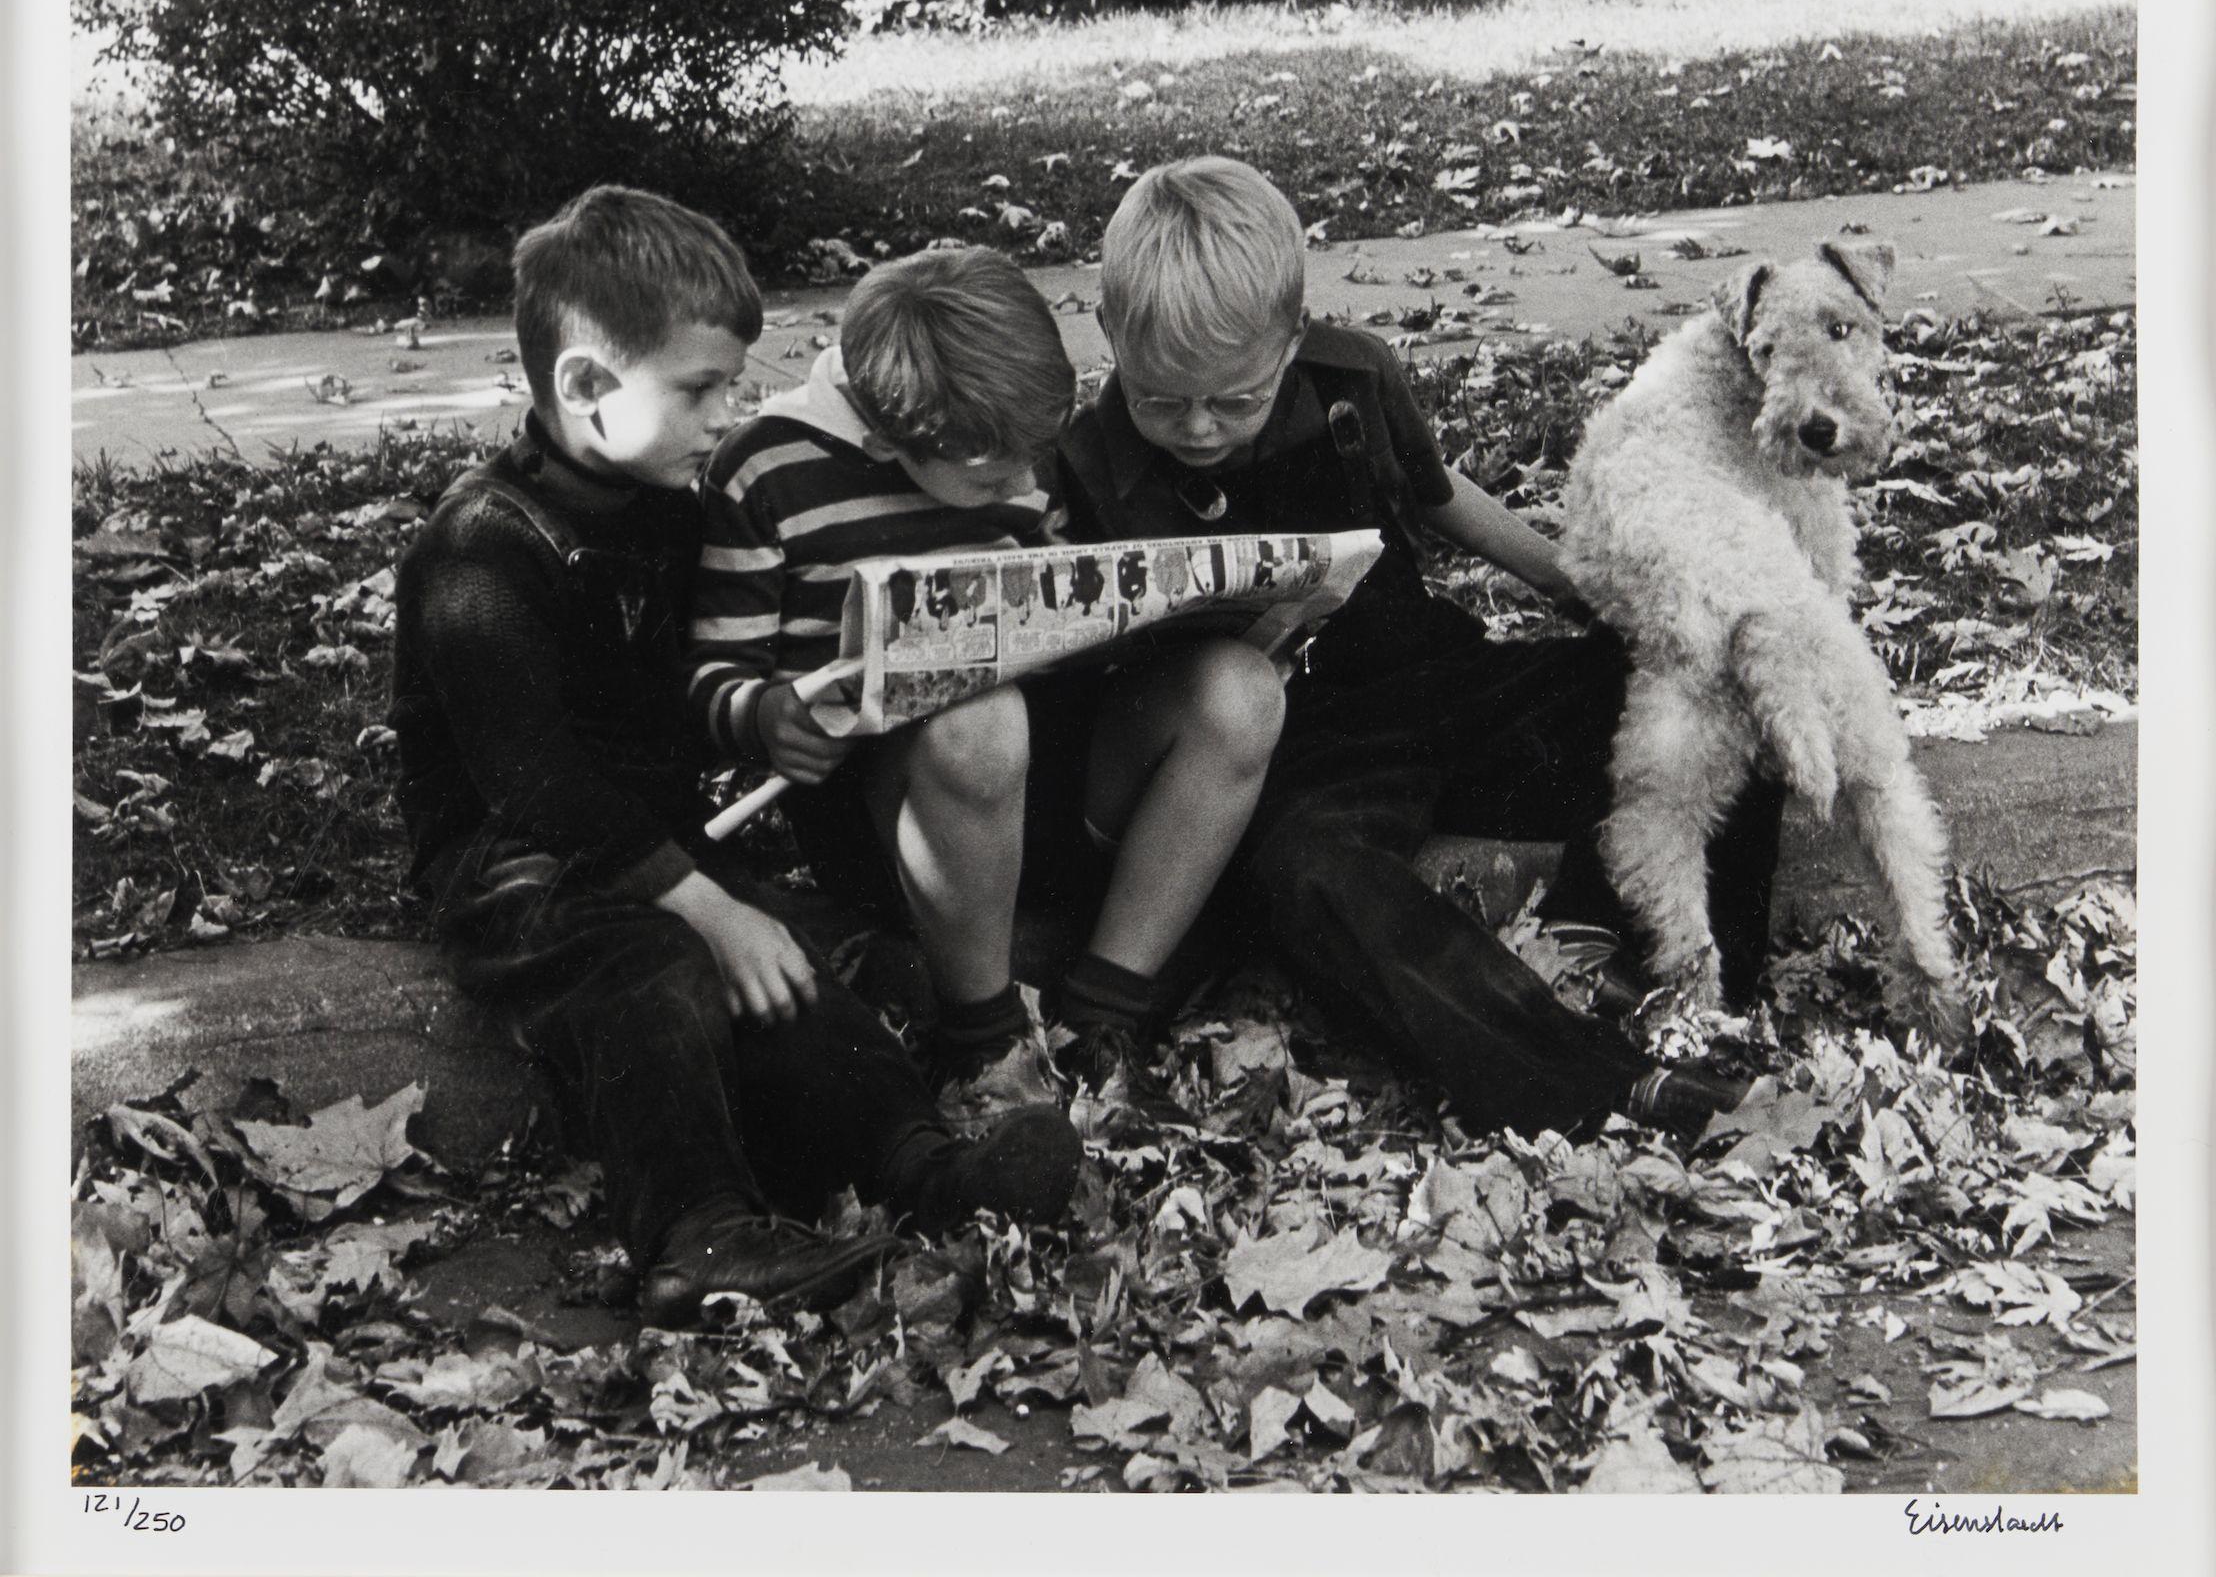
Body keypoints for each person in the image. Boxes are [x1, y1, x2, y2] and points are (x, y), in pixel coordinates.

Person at [391, 188, 1080, 1331]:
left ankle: (918, 1169)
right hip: (512, 868)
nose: (729, 415)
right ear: (584, 389)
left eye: (731, 384)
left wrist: (765, 718)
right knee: (657, 975)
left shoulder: (663, 507)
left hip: (645, 845)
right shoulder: (482, 550)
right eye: (701, 390)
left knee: (799, 972)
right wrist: (712, 910)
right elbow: (530, 782)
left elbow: (689, 686)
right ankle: (692, 1231)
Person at [1056, 157, 1781, 1144]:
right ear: (1108, 337)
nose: (1194, 427)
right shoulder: (1085, 461)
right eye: (1159, 399)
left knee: (1730, 677)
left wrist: (1596, 597)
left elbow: (1443, 506)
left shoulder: (1351, 378)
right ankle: (1587, 1084)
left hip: (1432, 679)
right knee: (1315, 874)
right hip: (1295, 756)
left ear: (1291, 339)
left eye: (1232, 402)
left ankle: (1692, 979)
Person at [690, 245, 1285, 1111]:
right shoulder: (768, 470)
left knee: (1241, 688)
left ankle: (1105, 1007)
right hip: (900, 812)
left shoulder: (1008, 443)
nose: (1022, 482)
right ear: (893, 441)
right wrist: (763, 715)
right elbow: (712, 671)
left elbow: (1044, 592)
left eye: (1030, 463)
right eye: (992, 479)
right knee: (982, 717)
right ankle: (984, 1038)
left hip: (1047, 776)